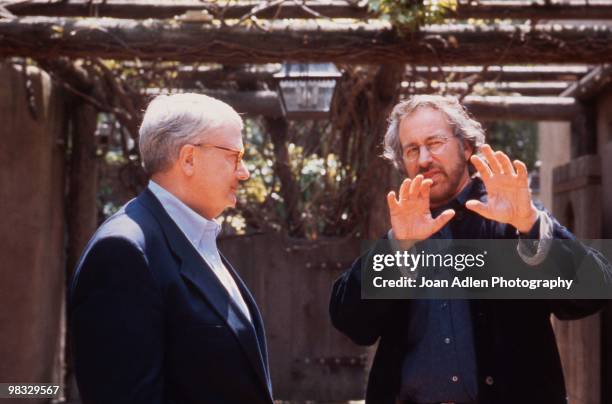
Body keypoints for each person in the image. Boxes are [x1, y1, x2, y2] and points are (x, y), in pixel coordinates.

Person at [329, 95, 610, 404]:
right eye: (412, 149)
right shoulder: (403, 229)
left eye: (434, 143)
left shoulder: (510, 219)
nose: (423, 160)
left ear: (465, 146)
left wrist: (530, 222)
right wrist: (396, 248)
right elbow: (352, 323)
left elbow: (592, 293)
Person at [70, 93, 273, 404]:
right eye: (235, 155)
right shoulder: (124, 252)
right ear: (188, 158)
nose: (244, 172)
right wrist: (378, 248)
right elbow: (355, 318)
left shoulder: (195, 235)